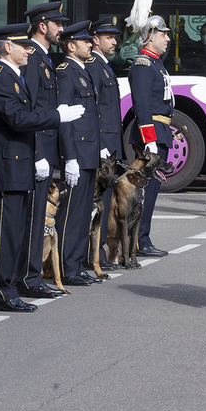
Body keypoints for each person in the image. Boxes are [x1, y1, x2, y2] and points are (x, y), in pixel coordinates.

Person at [0, 24, 82, 312]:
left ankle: (10, 287)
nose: (29, 50)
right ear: (7, 47)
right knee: (7, 232)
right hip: (9, 165)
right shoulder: (1, 78)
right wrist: (56, 116)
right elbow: (17, 118)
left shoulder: (14, 77)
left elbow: (28, 113)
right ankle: (1, 291)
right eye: (23, 46)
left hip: (21, 163)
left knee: (16, 230)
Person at [17, 1, 69, 299]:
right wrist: (38, 153)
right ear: (42, 25)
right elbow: (33, 110)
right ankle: (29, 277)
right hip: (39, 149)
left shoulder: (44, 58)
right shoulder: (35, 60)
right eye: (57, 24)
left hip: (47, 148)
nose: (61, 29)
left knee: (39, 217)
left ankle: (32, 275)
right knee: (35, 217)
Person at [55, 21, 103, 286]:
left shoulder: (83, 71)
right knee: (72, 213)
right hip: (77, 153)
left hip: (88, 152)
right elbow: (64, 118)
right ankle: (65, 265)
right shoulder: (66, 72)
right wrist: (69, 157)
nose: (91, 44)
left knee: (83, 212)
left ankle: (75, 262)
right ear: (71, 46)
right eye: (86, 42)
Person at [128, 8, 174, 257]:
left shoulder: (155, 63)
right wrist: (150, 140)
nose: (167, 39)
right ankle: (138, 240)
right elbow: (142, 106)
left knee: (151, 192)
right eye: (163, 34)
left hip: (159, 129)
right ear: (150, 35)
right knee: (144, 192)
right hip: (151, 133)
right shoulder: (144, 64)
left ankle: (142, 237)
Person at [86, 16, 122, 269]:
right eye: (109, 37)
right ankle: (93, 254)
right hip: (102, 143)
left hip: (109, 142)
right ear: (95, 40)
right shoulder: (94, 66)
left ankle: (97, 253)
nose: (115, 42)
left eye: (115, 37)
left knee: (104, 202)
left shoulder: (105, 65)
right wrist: (99, 143)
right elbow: (94, 110)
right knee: (96, 203)